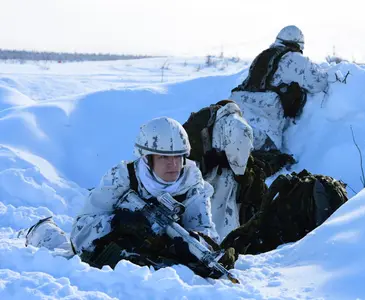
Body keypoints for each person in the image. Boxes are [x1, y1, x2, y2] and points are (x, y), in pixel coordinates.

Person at [24, 117, 236, 279]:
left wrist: (189, 242)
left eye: (178, 157)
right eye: (164, 157)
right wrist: (119, 223)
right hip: (111, 260)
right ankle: (41, 232)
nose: (173, 165)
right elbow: (80, 234)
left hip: (154, 264)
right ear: (147, 158)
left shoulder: (193, 187)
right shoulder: (122, 179)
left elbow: (207, 234)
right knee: (67, 258)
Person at [183, 100, 295, 240]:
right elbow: (239, 162)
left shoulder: (208, 119)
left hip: (210, 176)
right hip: (214, 178)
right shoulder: (234, 124)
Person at [230, 25, 341, 151]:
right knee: (263, 153)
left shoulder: (263, 56)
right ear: (298, 44)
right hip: (262, 122)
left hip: (238, 108)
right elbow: (318, 83)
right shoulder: (294, 58)